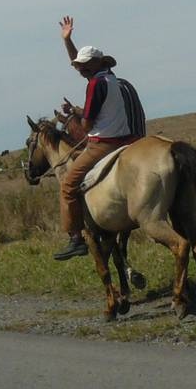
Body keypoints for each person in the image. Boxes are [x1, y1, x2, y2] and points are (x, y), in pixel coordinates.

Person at [50, 15, 146, 260]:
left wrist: (79, 119)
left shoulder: (94, 84)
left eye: (83, 65)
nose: (79, 68)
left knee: (68, 186)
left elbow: (89, 122)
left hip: (103, 144)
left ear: (94, 64)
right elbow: (98, 109)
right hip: (125, 140)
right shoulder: (111, 79)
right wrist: (67, 40)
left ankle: (76, 238)